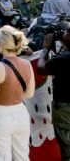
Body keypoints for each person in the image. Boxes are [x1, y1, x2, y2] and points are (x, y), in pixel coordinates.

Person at [0, 25, 35, 161]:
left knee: (0, 158)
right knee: (22, 156)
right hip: (21, 114)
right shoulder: (27, 65)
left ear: (0, 45)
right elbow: (29, 94)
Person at [38, 24, 70, 159]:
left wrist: (45, 49)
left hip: (65, 110)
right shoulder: (63, 57)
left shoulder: (63, 59)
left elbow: (41, 68)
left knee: (67, 151)